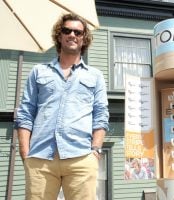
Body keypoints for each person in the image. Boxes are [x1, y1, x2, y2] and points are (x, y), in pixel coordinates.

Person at [15, 13, 109, 200]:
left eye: (78, 32)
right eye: (67, 30)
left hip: (81, 157)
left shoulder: (95, 76)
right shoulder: (38, 72)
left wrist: (96, 150)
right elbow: (25, 113)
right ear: (59, 36)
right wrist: (25, 153)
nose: (72, 34)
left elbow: (101, 114)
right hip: (40, 158)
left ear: (84, 39)